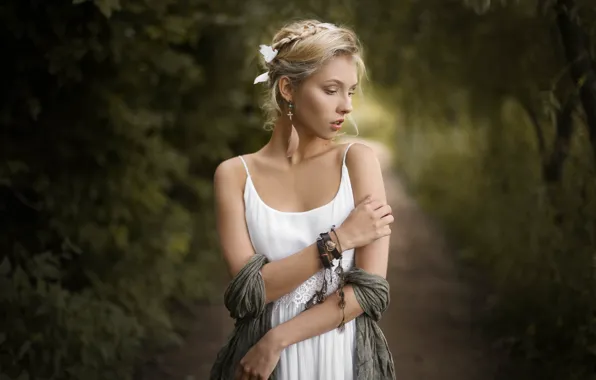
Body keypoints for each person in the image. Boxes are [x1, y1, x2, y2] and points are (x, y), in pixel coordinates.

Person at [211, 19, 395, 380]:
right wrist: (339, 240)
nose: (346, 106)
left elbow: (370, 293)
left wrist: (277, 340)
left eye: (351, 92)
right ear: (288, 89)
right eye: (331, 90)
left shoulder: (358, 163)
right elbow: (250, 292)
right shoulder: (234, 176)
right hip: (261, 371)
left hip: (341, 360)